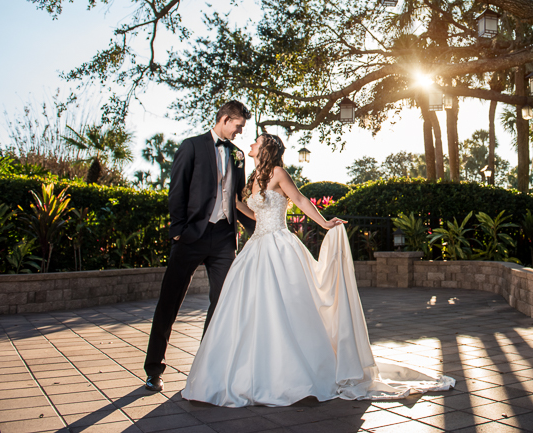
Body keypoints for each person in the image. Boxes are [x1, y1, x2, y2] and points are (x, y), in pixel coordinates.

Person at [181, 133, 454, 406]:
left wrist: (324, 224)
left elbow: (299, 199)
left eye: (256, 141)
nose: (250, 144)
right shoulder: (254, 179)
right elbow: (255, 215)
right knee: (250, 308)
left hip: (279, 245)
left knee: (285, 307)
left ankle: (298, 373)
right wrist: (232, 201)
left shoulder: (278, 172)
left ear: (265, 148)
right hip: (256, 248)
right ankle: (253, 371)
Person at [143, 101, 255, 392]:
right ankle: (154, 368)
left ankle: (206, 367)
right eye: (239, 126)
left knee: (222, 302)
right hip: (191, 236)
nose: (240, 132)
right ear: (226, 119)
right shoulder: (191, 146)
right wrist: (178, 232)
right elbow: (177, 190)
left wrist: (257, 232)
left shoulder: (239, 155)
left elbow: (239, 198)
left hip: (223, 239)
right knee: (169, 302)